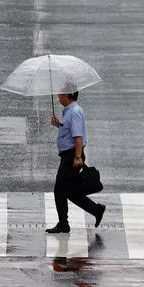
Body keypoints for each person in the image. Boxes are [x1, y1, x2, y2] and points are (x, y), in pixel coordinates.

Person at [46, 89, 105, 234]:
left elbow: (78, 138)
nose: (58, 97)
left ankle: (63, 224)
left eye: (60, 94)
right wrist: (59, 124)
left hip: (72, 157)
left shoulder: (74, 112)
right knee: (69, 191)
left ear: (67, 95)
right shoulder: (69, 111)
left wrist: (77, 157)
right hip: (70, 156)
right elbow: (70, 131)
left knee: (59, 189)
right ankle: (96, 210)